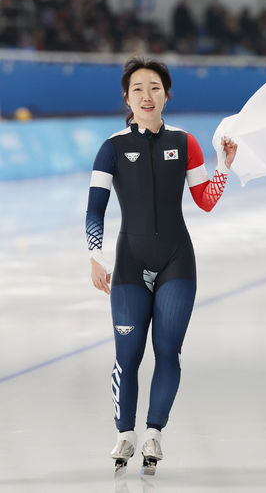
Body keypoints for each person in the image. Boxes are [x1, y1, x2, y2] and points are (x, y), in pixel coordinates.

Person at [85, 57, 237, 475]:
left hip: (176, 262)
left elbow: (205, 201)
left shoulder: (185, 142)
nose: (147, 95)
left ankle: (154, 432)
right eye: (138, 88)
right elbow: (95, 208)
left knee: (168, 350)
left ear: (167, 95)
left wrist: (224, 166)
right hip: (129, 264)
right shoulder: (112, 147)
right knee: (127, 354)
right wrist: (96, 257)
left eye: (154, 87)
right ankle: (125, 433)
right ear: (127, 98)